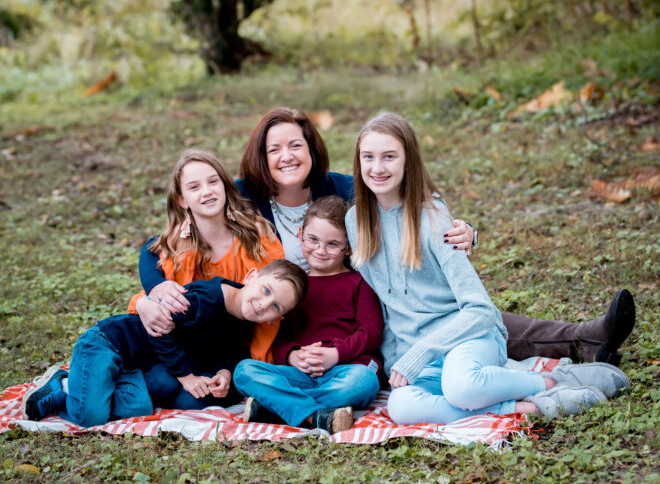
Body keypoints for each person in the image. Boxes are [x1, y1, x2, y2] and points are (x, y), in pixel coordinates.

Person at [142, 109, 636, 363]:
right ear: (261, 157)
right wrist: (153, 290)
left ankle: (584, 338)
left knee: (452, 314)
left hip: (358, 308)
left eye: (297, 144)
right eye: (275, 149)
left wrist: (461, 231)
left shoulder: (341, 190)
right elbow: (156, 245)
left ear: (314, 150)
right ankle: (582, 343)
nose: (287, 156)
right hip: (286, 323)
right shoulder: (243, 199)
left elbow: (411, 210)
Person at [345, 113, 631, 424]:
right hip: (419, 356)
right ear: (358, 163)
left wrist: (424, 350)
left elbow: (479, 309)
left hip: (467, 337)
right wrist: (399, 360)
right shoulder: (355, 222)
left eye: (389, 156)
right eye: (368, 157)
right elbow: (386, 304)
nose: (377, 167)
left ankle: (550, 381)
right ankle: (534, 405)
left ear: (408, 161)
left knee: (462, 388)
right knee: (402, 408)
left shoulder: (432, 220)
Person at [23, 260, 308, 426]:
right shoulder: (205, 300)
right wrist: (185, 376)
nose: (263, 304)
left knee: (139, 408)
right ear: (251, 276)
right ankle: (63, 385)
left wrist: (224, 372)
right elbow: (160, 331)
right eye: (266, 290)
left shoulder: (242, 318)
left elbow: (228, 348)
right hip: (111, 343)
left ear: (277, 318)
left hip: (136, 366)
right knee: (90, 416)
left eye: (275, 306)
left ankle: (92, 384)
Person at [234, 196, 383, 434]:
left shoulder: (359, 283)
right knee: (244, 371)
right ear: (301, 233)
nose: (320, 250)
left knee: (364, 381)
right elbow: (280, 336)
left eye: (333, 244)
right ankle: (316, 416)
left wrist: (336, 354)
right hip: (300, 373)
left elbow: (371, 333)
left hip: (345, 368)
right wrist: (293, 356)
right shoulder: (294, 288)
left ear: (349, 246)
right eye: (313, 239)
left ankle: (275, 408)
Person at [128, 150, 284, 365]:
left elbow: (275, 303)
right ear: (182, 200)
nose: (207, 191)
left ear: (226, 187)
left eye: (213, 182)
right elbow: (164, 295)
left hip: (239, 349)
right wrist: (142, 304)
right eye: (194, 187)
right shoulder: (179, 246)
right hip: (191, 348)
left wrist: (259, 362)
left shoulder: (257, 237)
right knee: (164, 386)